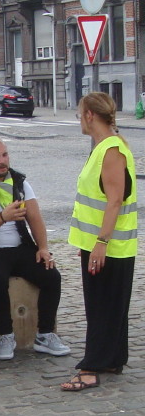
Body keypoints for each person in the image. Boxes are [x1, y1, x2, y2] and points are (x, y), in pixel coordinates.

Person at [0, 138, 70, 360]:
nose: (2, 161)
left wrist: (43, 248)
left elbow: (35, 218)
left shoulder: (19, 182)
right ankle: (6, 335)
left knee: (51, 276)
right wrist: (2, 217)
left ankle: (45, 335)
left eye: (5, 155)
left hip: (19, 246)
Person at [61, 92, 137, 391]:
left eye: (80, 113)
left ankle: (91, 367)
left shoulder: (111, 150)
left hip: (109, 245)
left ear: (90, 115)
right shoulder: (106, 147)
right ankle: (113, 357)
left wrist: (101, 242)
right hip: (102, 244)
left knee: (101, 305)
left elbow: (115, 200)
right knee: (110, 303)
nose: (79, 119)